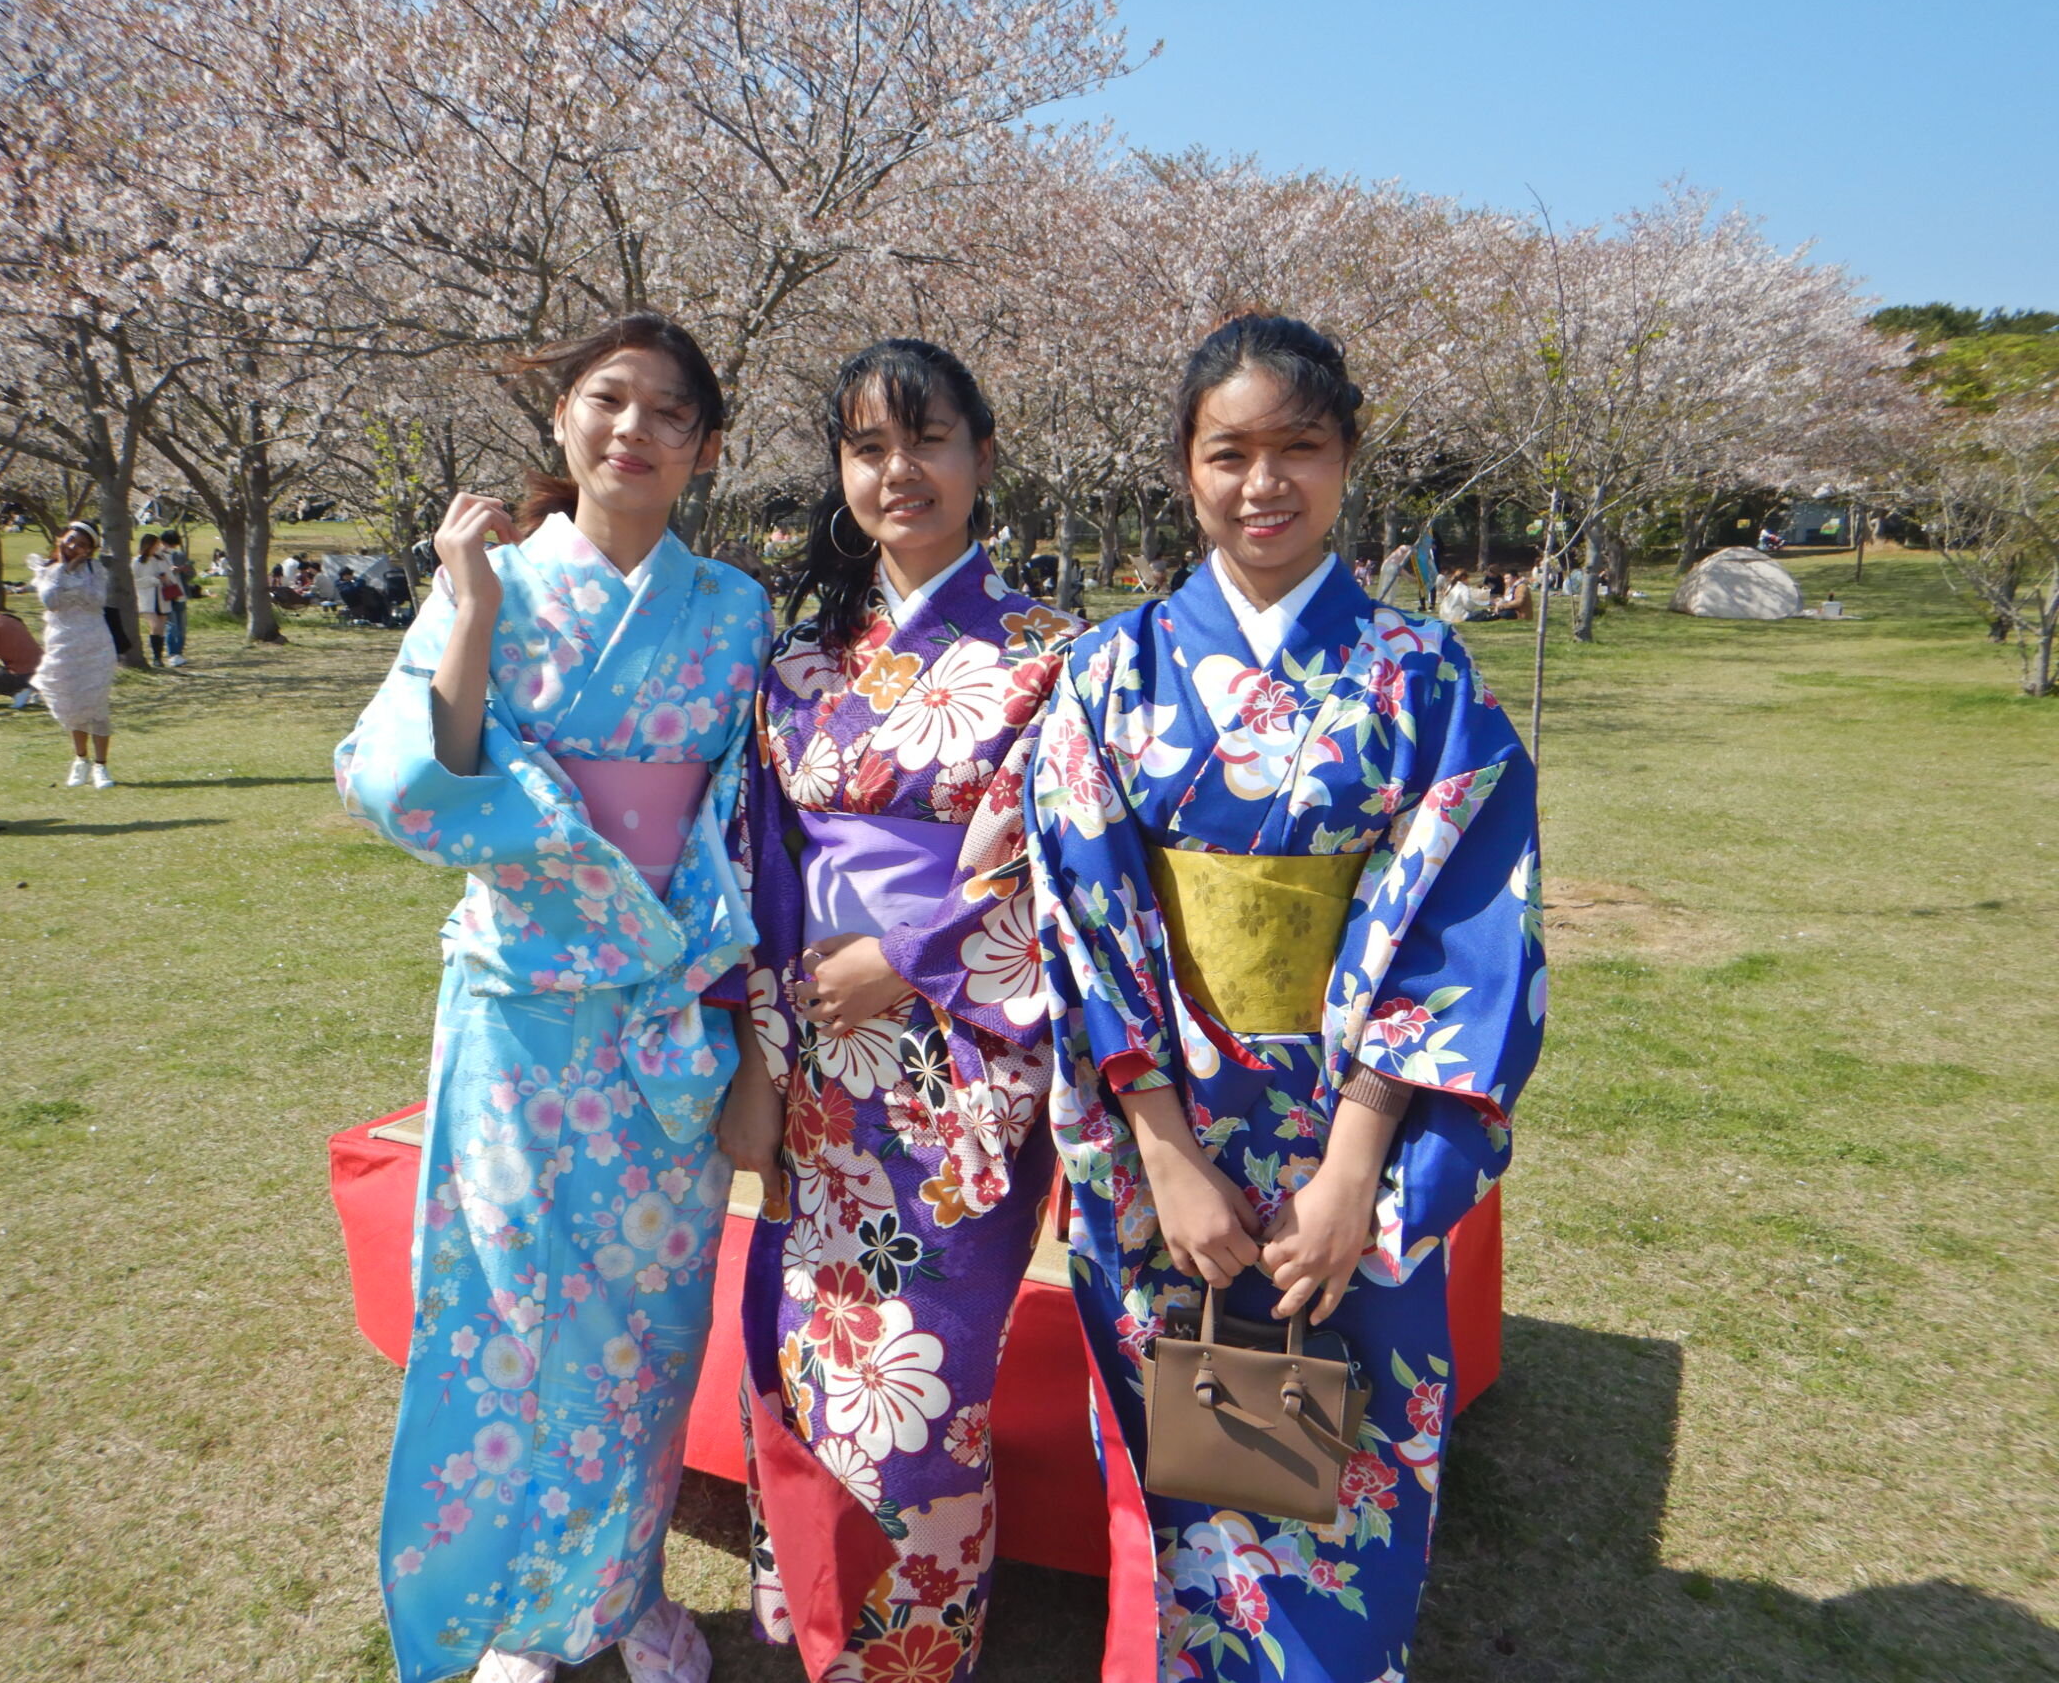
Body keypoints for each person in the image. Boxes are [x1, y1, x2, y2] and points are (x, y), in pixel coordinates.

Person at [1026, 314, 1545, 1683]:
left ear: (1348, 458)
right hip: (1166, 1134)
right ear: (1185, 469)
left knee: (1346, 1473)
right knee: (1184, 1467)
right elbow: (1080, 919)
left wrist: (1354, 1167)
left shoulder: (1423, 674)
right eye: (1229, 453)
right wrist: (1164, 1152)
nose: (1264, 484)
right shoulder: (1109, 672)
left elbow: (1465, 923)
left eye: (1298, 448)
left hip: (1353, 1131)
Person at [335, 312, 773, 1683]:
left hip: (663, 1015)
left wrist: (697, 964)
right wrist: (468, 608)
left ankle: (626, 1593)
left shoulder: (736, 611)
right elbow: (412, 776)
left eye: (667, 412)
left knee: (648, 1331)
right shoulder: (494, 581)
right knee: (506, 1316)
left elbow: (749, 818)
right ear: (563, 418)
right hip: (522, 1009)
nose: (632, 430)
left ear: (706, 447)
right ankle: (522, 1619)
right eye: (606, 400)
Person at [732, 341, 1081, 1683]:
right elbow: (765, 868)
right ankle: (820, 1623)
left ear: (982, 457)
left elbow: (1061, 858)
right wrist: (763, 1054)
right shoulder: (800, 664)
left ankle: (917, 1655)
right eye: (869, 447)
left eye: (927, 441)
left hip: (960, 1071)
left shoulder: (1055, 655)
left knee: (931, 1387)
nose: (899, 471)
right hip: (819, 1061)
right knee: (811, 1353)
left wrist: (906, 956)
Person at [31, 522, 120, 787]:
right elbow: (50, 601)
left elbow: (96, 600)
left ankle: (101, 765)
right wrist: (65, 570)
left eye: (81, 544)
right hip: (62, 644)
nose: (73, 547)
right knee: (70, 701)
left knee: (95, 703)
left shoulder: (95, 569)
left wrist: (72, 586)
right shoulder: (48, 570)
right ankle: (81, 759)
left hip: (94, 643)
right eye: (71, 540)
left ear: (90, 549)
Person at [131, 533, 175, 667]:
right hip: (147, 598)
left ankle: (158, 657)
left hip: (162, 597)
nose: (158, 547)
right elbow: (134, 581)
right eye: (156, 544)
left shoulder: (161, 560)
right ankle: (156, 656)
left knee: (160, 628)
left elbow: (170, 577)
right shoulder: (137, 561)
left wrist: (166, 580)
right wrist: (153, 580)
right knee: (155, 626)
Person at [160, 529, 192, 664]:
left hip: (180, 593)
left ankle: (179, 653)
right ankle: (173, 653)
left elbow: (191, 575)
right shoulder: (157, 556)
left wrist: (185, 570)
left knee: (181, 626)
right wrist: (170, 571)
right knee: (172, 625)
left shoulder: (179, 555)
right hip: (166, 593)